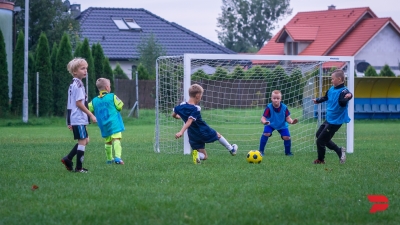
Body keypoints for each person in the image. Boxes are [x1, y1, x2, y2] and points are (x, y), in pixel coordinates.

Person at [172, 84, 238, 164]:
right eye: (201, 95)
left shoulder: (182, 105)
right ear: (197, 95)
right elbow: (189, 121)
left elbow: (174, 114)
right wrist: (181, 132)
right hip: (202, 130)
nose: (201, 97)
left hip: (192, 135)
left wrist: (178, 117)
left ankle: (198, 156)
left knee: (204, 156)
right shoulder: (196, 108)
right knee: (218, 135)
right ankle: (231, 149)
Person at [61, 58, 97, 173]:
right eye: (82, 68)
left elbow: (69, 103)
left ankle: (68, 158)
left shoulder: (73, 83)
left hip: (75, 118)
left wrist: (69, 120)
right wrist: (91, 114)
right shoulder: (79, 84)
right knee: (83, 141)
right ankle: (79, 167)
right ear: (75, 72)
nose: (85, 71)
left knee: (86, 140)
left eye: (86, 68)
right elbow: (78, 103)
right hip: (78, 117)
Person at [312, 69, 353, 164]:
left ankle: (320, 160)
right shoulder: (331, 89)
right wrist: (318, 100)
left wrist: (349, 96)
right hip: (329, 119)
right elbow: (326, 97)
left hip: (336, 121)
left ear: (339, 79)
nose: (331, 80)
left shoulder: (344, 91)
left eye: (332, 79)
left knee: (320, 141)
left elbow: (343, 102)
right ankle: (339, 151)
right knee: (319, 135)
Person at [88, 78, 125, 165]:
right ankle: (118, 158)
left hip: (103, 125)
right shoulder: (112, 96)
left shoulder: (94, 101)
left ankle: (109, 159)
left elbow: (88, 108)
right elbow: (120, 106)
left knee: (108, 141)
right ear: (107, 87)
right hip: (113, 123)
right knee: (116, 139)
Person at [259, 90, 298, 156]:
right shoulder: (269, 107)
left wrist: (291, 121)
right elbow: (262, 118)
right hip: (270, 124)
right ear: (271, 98)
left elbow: (288, 118)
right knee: (266, 133)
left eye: (278, 98)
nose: (276, 100)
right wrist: (264, 122)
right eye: (274, 98)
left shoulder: (284, 107)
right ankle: (261, 151)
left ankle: (288, 153)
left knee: (287, 137)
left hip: (282, 125)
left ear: (280, 99)